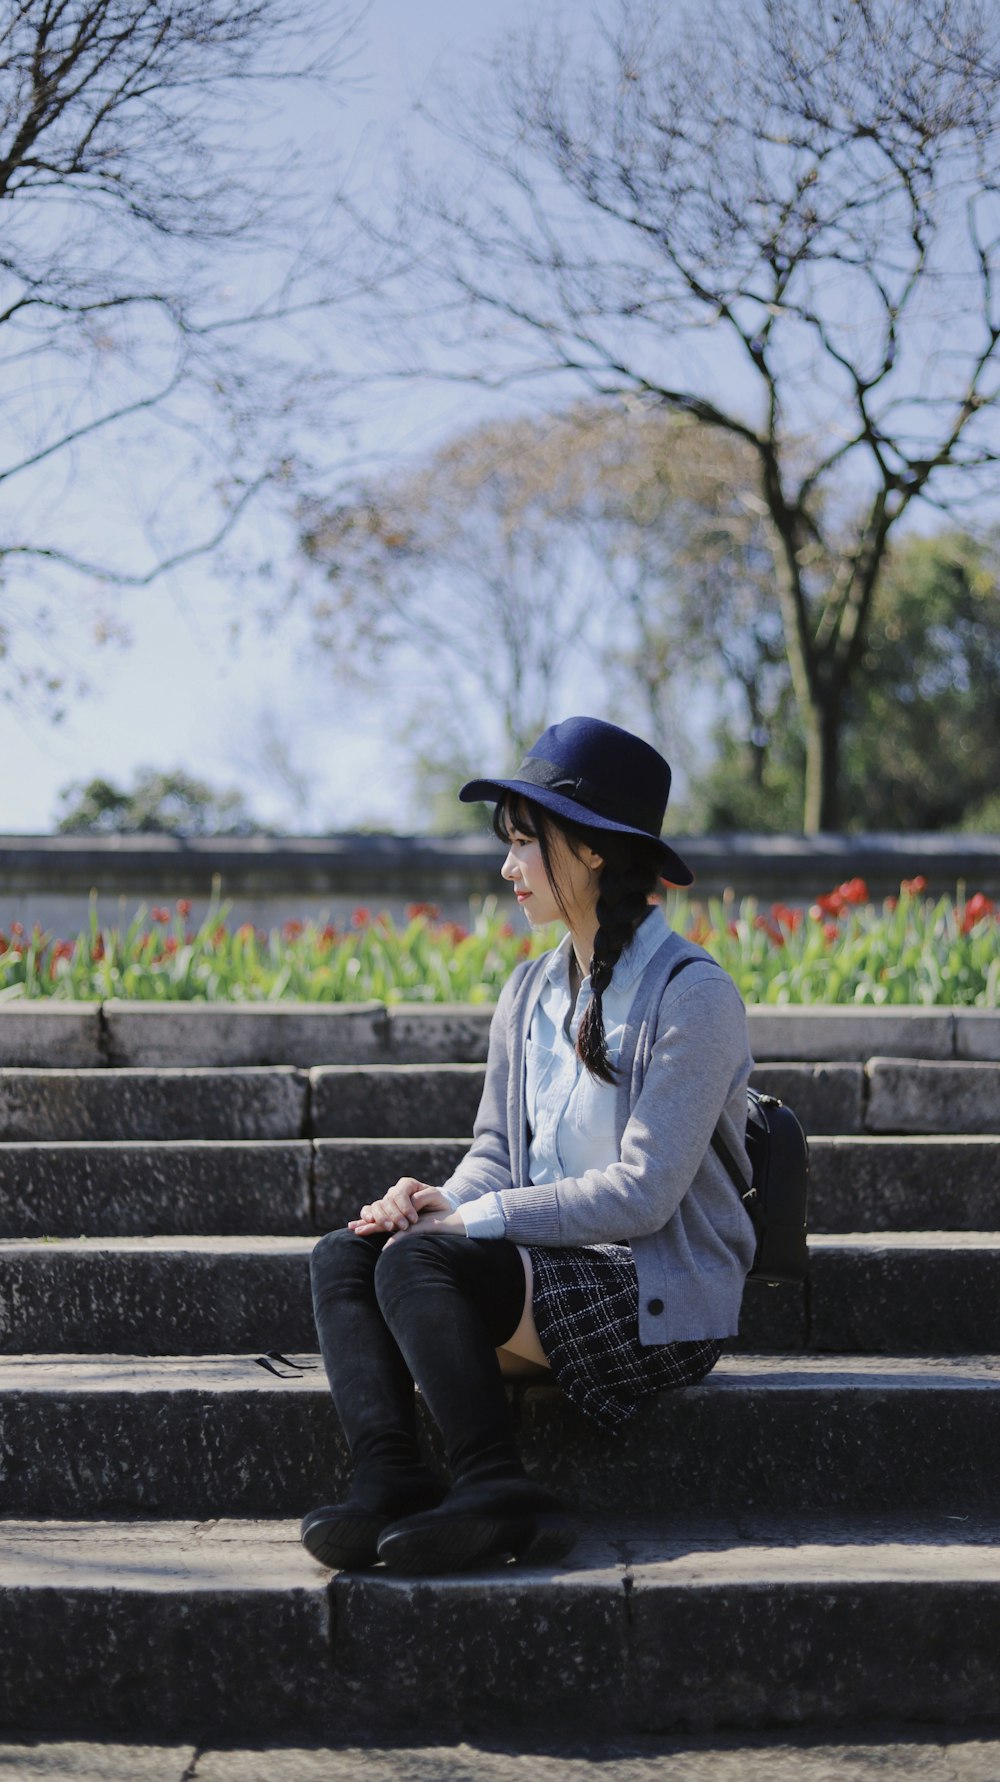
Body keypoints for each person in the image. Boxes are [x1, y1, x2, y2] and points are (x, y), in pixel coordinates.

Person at [301, 715, 756, 1576]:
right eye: (506, 844)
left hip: (651, 1291)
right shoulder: (532, 988)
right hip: (541, 1270)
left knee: (419, 1264)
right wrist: (430, 1201)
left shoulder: (694, 997)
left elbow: (644, 1195)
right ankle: (392, 1481)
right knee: (348, 1253)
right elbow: (494, 1152)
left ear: (590, 849)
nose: (507, 868)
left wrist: (472, 1224)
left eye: (523, 843)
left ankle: (496, 1487)